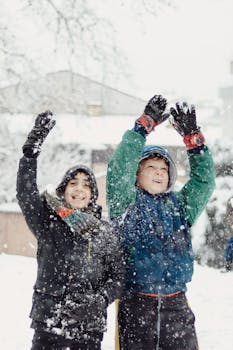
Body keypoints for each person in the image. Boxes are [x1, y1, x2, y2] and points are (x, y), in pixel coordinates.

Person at [107, 95, 215, 350]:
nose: (158, 172)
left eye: (164, 169)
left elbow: (204, 182)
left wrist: (194, 142)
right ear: (136, 175)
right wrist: (142, 127)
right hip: (136, 304)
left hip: (176, 305)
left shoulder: (180, 207)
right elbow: (119, 168)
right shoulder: (125, 203)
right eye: (151, 167)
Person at [16, 111, 124, 350]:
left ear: (92, 196)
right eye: (73, 183)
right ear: (63, 190)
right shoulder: (48, 223)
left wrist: (99, 300)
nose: (79, 189)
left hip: (88, 329)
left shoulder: (104, 233)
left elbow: (118, 277)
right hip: (48, 323)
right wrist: (30, 152)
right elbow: (25, 194)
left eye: (86, 185)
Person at [224, 196, 233, 271]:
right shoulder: (231, 200)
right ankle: (228, 264)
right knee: (230, 245)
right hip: (231, 229)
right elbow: (228, 216)